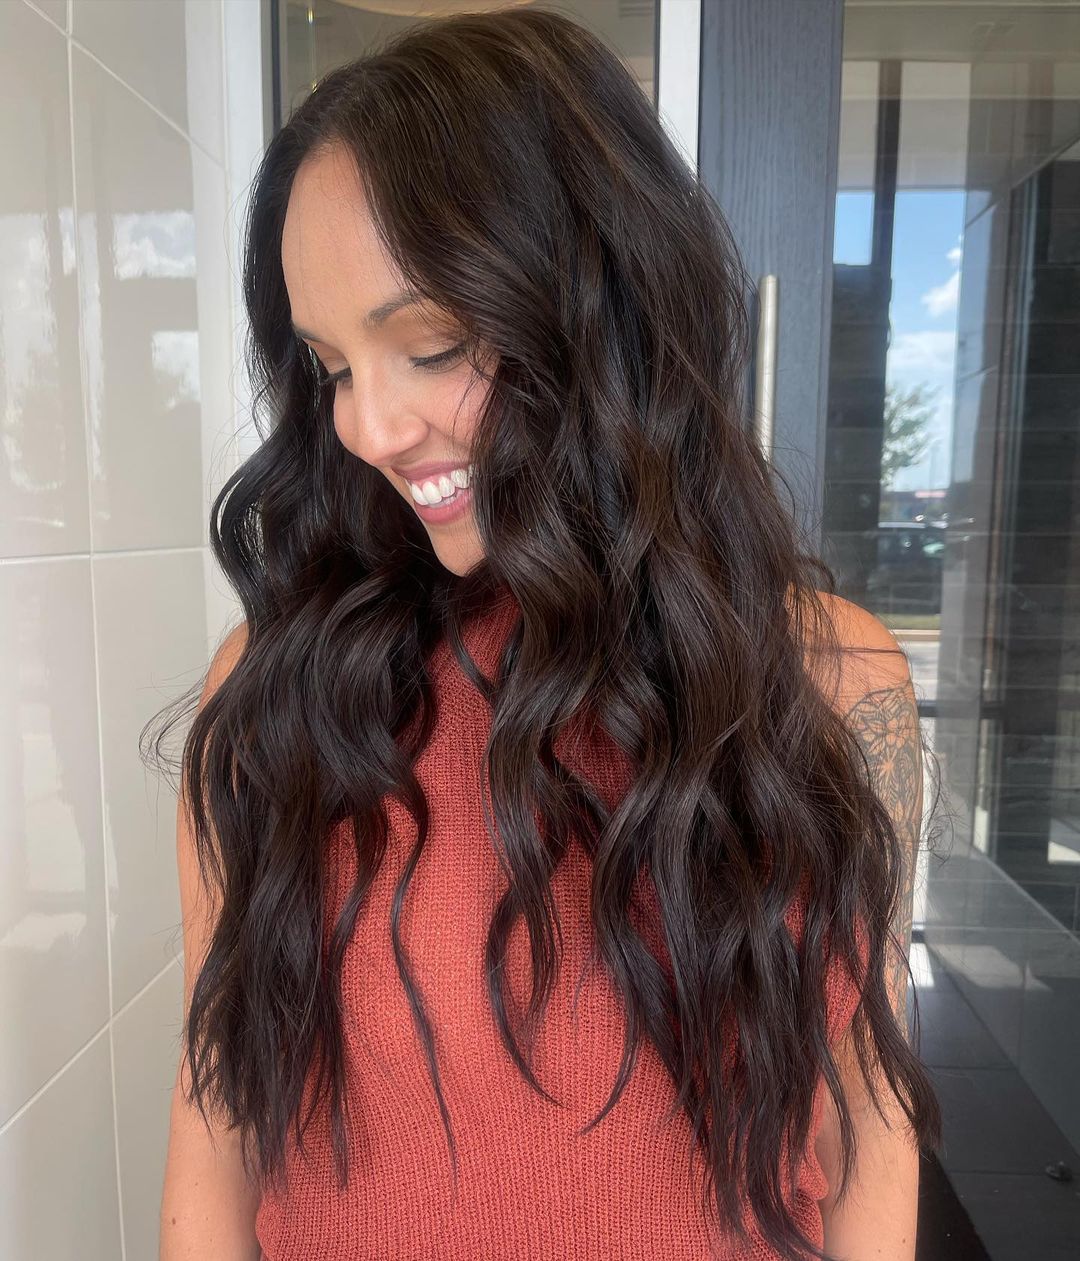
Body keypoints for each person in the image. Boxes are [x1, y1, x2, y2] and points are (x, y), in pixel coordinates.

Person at [156, 7, 942, 1260]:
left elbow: (868, 1119)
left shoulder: (831, 685)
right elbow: (220, 1107)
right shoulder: (279, 693)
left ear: (602, 311)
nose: (367, 427)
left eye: (429, 345)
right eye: (332, 368)